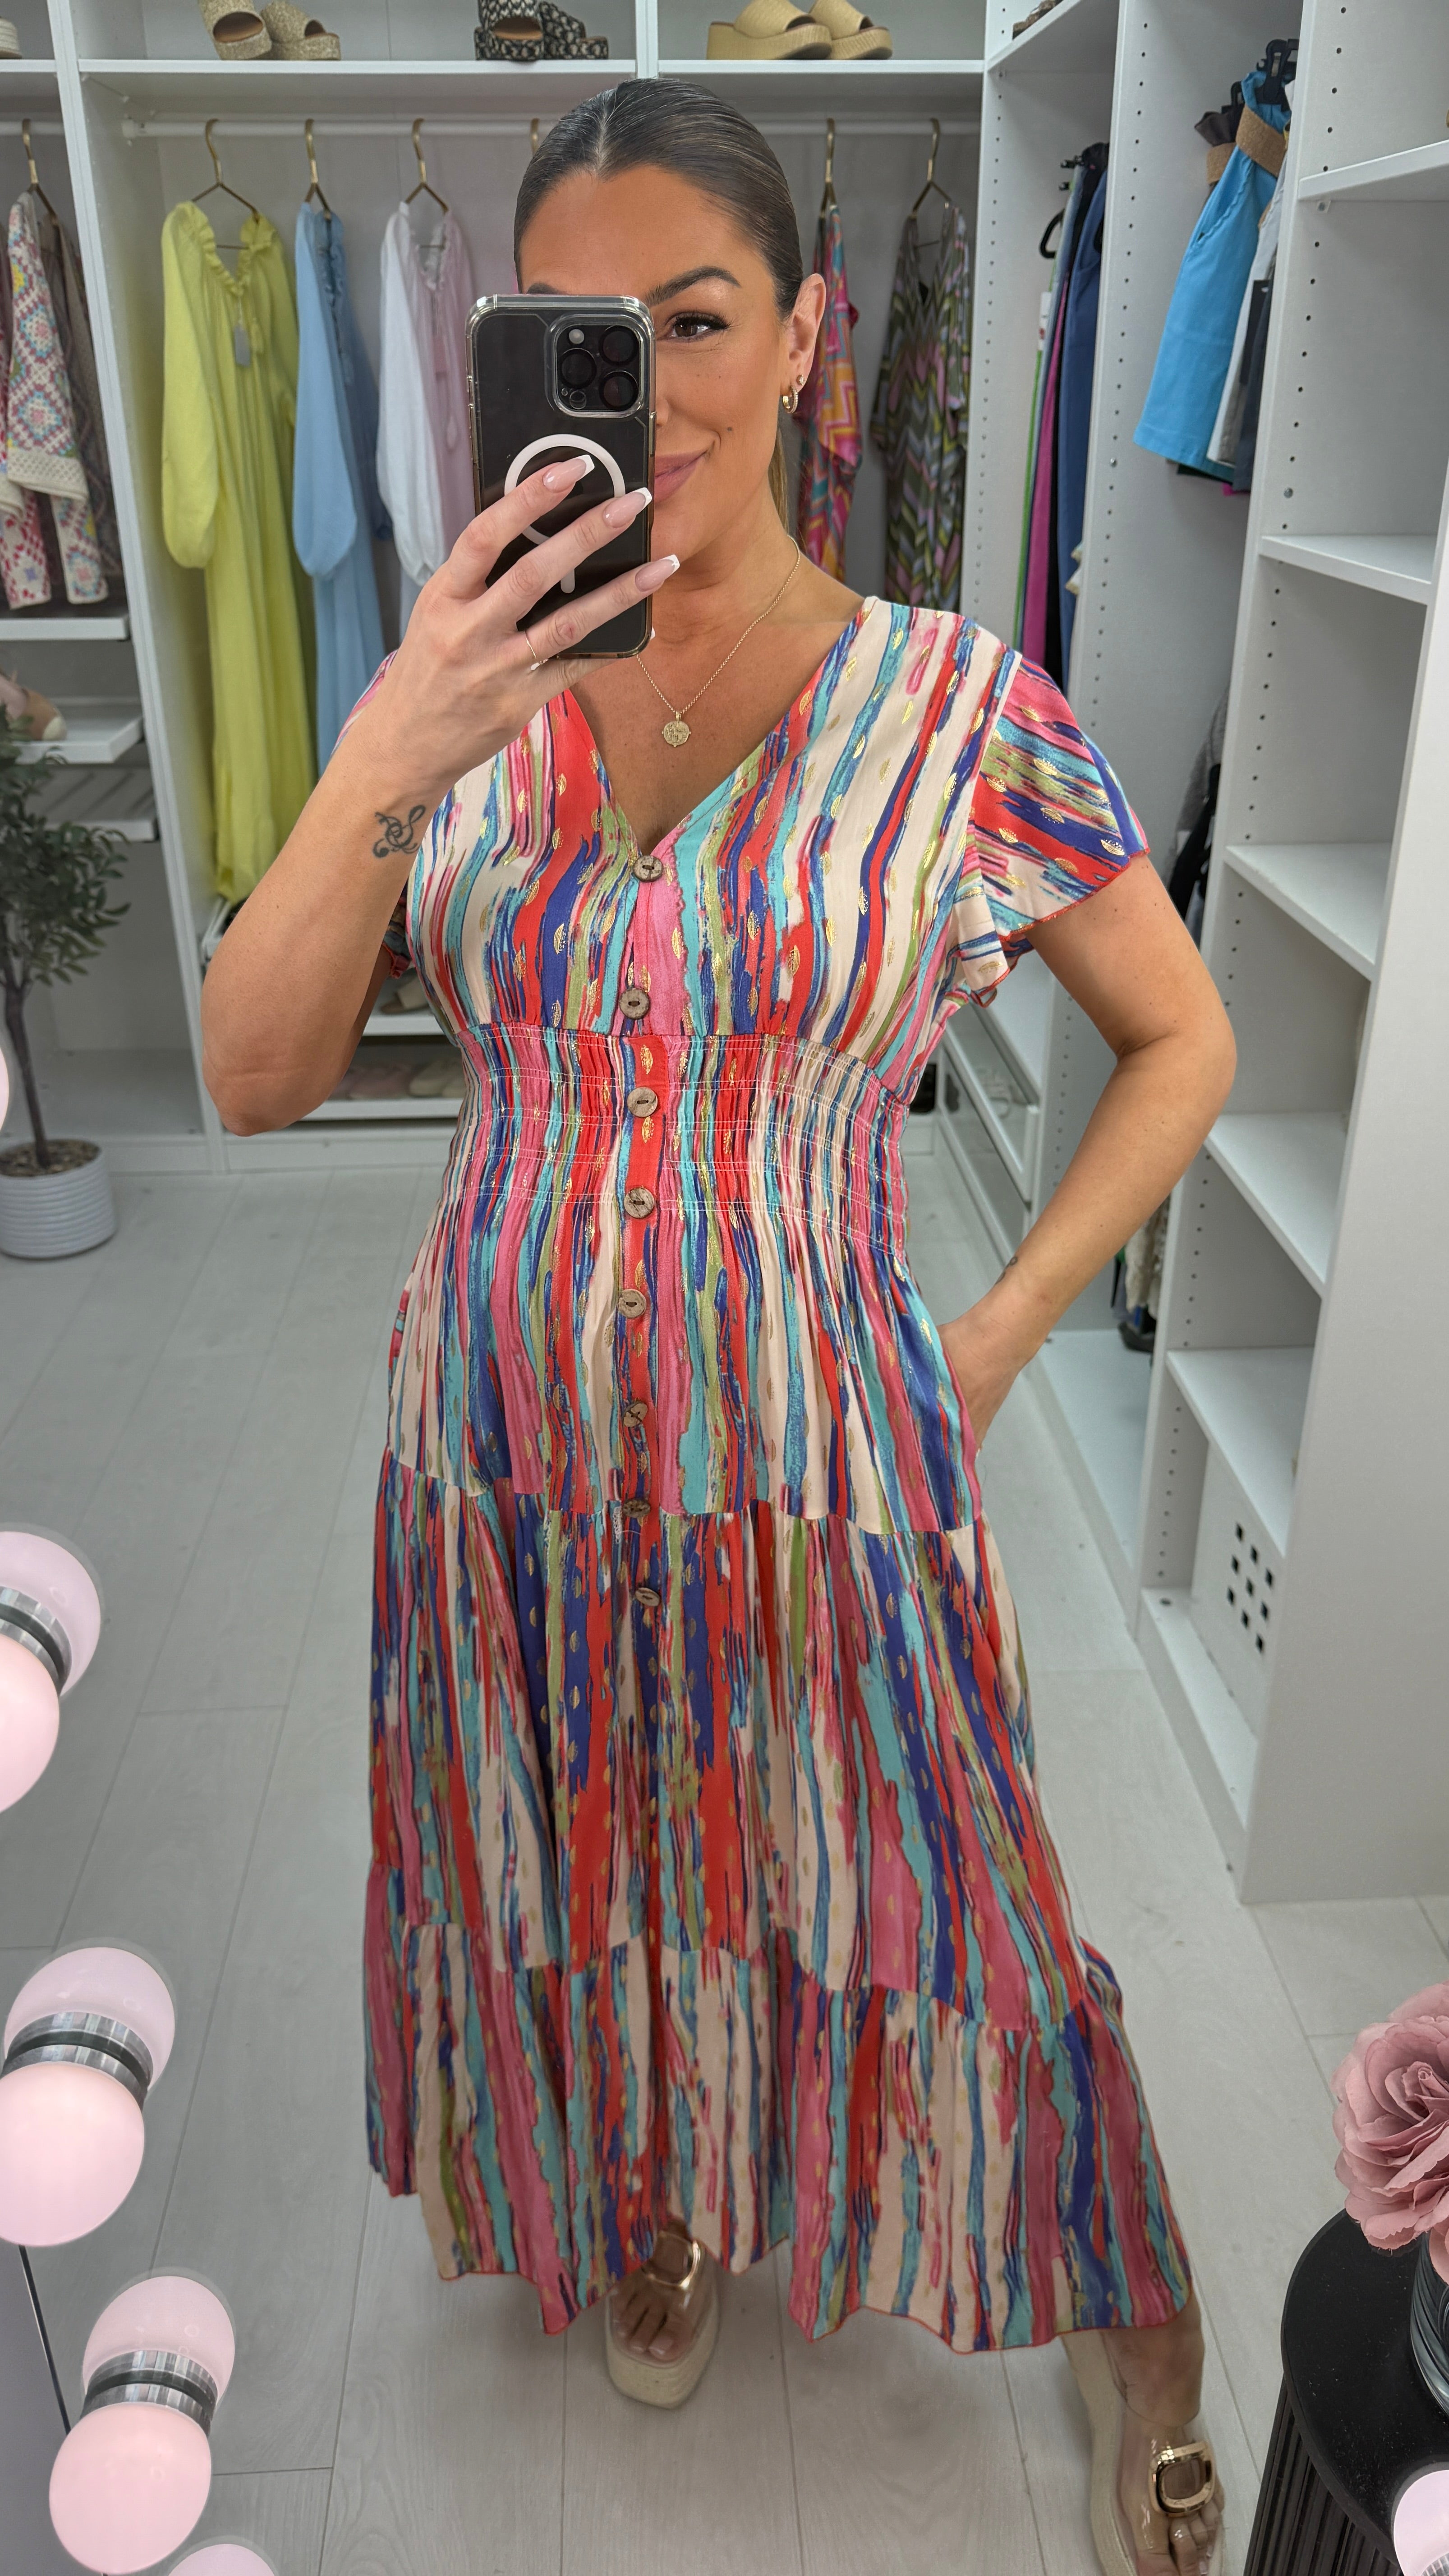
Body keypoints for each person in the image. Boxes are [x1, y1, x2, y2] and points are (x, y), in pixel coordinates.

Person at [201, 81, 1235, 2576]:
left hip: (829, 1437)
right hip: (504, 1444)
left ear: (801, 338)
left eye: (696, 319)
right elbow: (249, 1073)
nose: (647, 387)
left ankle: (1145, 2323)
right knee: (591, 1862)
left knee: (944, 1880)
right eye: (587, 331)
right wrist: (399, 736)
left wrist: (995, 1333)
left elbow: (1182, 1039)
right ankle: (656, 2194)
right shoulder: (462, 692)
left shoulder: (959, 708)